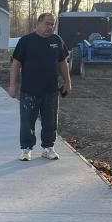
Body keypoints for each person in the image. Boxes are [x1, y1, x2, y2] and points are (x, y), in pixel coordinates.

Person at [8, 12, 71, 161]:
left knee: (50, 121)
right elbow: (16, 64)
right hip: (29, 90)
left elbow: (63, 62)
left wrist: (67, 82)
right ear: (38, 23)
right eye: (47, 24)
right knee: (27, 121)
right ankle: (26, 150)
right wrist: (12, 85)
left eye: (52, 24)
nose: (50, 27)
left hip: (51, 90)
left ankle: (48, 148)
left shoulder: (57, 40)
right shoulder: (26, 41)